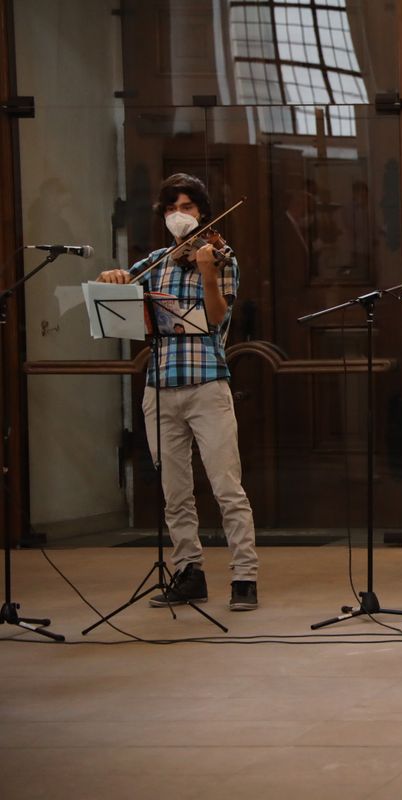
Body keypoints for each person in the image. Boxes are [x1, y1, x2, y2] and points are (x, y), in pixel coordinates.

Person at [97, 173, 259, 611]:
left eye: (187, 207)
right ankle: (189, 571)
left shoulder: (222, 258)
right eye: (171, 208)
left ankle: (244, 575)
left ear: (203, 212)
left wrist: (207, 272)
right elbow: (123, 306)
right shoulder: (155, 262)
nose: (179, 216)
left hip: (207, 381)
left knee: (227, 485)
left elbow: (218, 318)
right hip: (160, 385)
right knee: (175, 490)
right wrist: (115, 279)